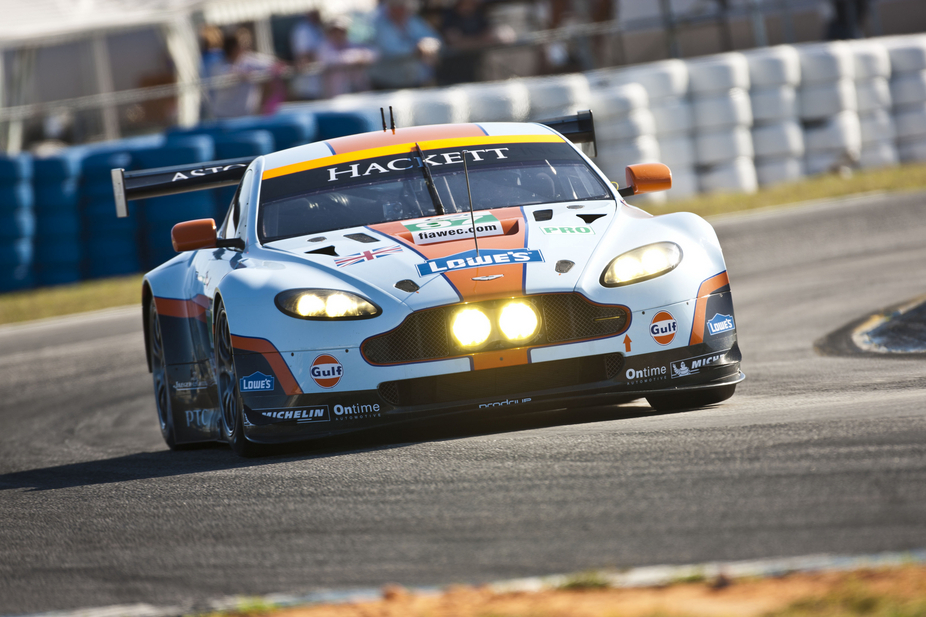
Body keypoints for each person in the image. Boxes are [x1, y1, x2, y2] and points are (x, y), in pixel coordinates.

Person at [370, 0, 442, 90]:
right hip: (387, 83)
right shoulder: (378, 23)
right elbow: (389, 50)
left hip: (414, 81)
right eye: (398, 6)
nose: (402, 9)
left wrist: (429, 44)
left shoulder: (412, 20)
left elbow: (434, 38)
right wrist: (416, 49)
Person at [210, 28, 278, 118]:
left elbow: (272, 65)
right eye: (243, 44)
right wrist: (242, 76)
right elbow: (226, 75)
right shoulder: (218, 64)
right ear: (233, 47)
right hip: (224, 116)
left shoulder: (248, 60)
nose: (246, 47)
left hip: (246, 115)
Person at [318, 16, 378, 98]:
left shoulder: (352, 44)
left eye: (341, 31)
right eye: (334, 31)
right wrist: (356, 57)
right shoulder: (324, 47)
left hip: (359, 90)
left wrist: (361, 57)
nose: (338, 34)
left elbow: (373, 53)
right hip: (337, 92)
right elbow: (332, 60)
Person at [290, 10, 325, 99]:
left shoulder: (317, 27)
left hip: (319, 83)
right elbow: (303, 54)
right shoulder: (303, 29)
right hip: (307, 84)